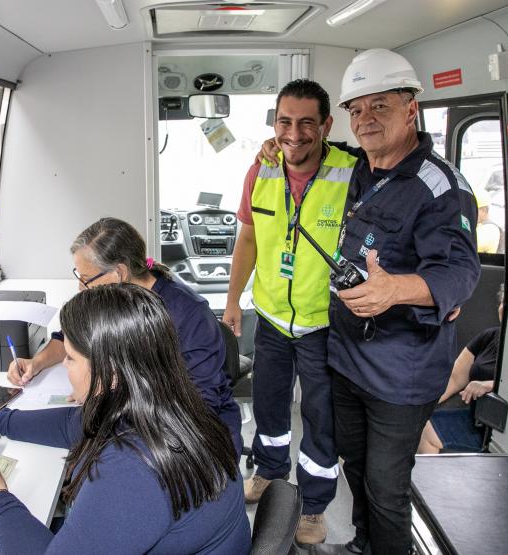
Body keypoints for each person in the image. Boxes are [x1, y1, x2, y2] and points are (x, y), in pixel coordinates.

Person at [259, 48, 480, 554]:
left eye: (380, 105)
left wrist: (395, 290)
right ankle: (364, 545)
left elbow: (460, 271)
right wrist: (270, 147)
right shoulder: (363, 166)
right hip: (349, 361)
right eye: (358, 109)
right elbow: (306, 147)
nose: (366, 120)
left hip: (400, 375)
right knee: (355, 466)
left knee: (386, 488)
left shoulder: (440, 187)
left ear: (411, 110)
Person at [0, 284, 251, 554]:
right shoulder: (168, 403)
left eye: (70, 358)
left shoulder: (134, 470)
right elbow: (72, 425)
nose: (64, 366)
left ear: (112, 372)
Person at [222, 79, 358, 545]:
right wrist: (233, 300)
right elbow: (248, 238)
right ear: (274, 123)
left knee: (321, 416)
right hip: (273, 318)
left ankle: (315, 506)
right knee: (269, 406)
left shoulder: (352, 172)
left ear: (326, 125)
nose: (294, 134)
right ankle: (268, 472)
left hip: (326, 322)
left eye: (306, 123)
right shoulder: (260, 170)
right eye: (284, 122)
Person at [6, 217, 242, 455]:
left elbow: (201, 404)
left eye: (86, 279)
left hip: (193, 435)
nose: (81, 288)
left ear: (119, 273)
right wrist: (36, 363)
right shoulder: (108, 297)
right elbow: (68, 336)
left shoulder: (188, 314)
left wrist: (106, 398)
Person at [419, 285, 504, 454]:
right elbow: (454, 379)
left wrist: (491, 385)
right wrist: (419, 406)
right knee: (418, 424)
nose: (504, 307)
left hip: (501, 429)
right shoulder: (489, 337)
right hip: (475, 420)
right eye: (503, 301)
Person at [475, 189, 503, 254]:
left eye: (473, 208)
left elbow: (467, 245)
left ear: (484, 210)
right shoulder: (478, 225)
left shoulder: (491, 229)